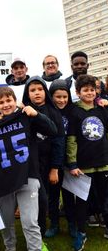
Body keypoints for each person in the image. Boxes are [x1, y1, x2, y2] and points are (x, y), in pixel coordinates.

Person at [0, 86, 57, 251]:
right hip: (4, 179)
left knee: (30, 222)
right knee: (6, 222)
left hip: (28, 176)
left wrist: (37, 114)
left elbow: (53, 130)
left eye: (9, 100)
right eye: (1, 102)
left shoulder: (26, 117)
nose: (6, 104)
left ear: (15, 101)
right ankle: (10, 248)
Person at [66, 74, 108, 251]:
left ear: (97, 91)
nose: (89, 93)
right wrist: (73, 164)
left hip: (104, 163)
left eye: (93, 89)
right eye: (85, 90)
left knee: (106, 198)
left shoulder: (102, 110)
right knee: (82, 202)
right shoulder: (75, 112)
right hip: (84, 167)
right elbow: (72, 140)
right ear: (78, 92)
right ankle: (81, 232)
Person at [22, 76, 65, 237]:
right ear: (27, 93)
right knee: (38, 199)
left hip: (50, 162)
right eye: (32, 90)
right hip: (32, 164)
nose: (37, 93)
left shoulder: (53, 111)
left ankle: (54, 224)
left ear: (45, 91)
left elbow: (59, 140)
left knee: (53, 196)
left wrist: (54, 168)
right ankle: (38, 228)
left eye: (40, 89)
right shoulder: (23, 111)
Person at [48, 79, 76, 238]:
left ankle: (72, 223)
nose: (62, 100)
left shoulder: (73, 111)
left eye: (65, 96)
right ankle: (54, 223)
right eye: (58, 96)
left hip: (68, 160)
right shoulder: (48, 111)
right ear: (51, 96)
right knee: (53, 195)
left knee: (68, 195)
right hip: (52, 161)